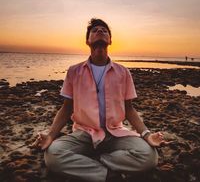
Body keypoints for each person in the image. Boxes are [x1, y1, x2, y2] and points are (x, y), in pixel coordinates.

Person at [33, 18, 169, 182]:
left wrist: (147, 135)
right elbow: (66, 108)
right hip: (84, 134)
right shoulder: (74, 71)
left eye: (104, 30)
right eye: (95, 30)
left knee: (149, 157)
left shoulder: (122, 72)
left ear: (110, 40)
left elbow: (129, 109)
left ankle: (97, 160)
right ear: (87, 40)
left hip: (115, 133)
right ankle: (107, 174)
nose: (100, 31)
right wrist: (50, 135)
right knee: (52, 155)